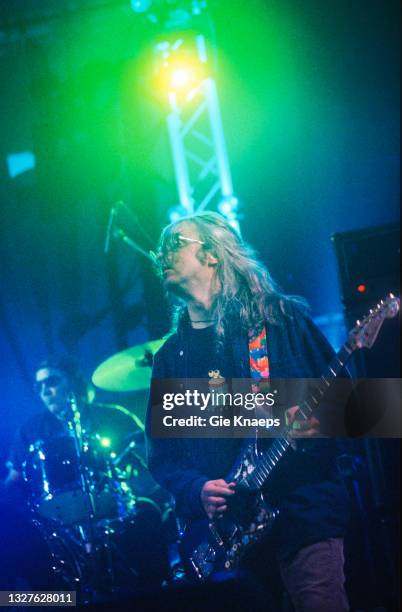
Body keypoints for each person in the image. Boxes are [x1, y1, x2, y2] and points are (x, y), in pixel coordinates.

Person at [146, 212, 351, 611]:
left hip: (301, 516)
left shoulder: (280, 321)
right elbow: (164, 457)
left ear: (212, 254)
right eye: (162, 248)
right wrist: (196, 489)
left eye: (175, 243)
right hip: (229, 541)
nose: (161, 255)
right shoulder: (171, 359)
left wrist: (321, 424)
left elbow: (353, 405)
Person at [4, 355, 168, 597]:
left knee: (148, 513)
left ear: (73, 381)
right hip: (56, 520)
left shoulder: (112, 416)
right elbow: (13, 483)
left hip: (115, 508)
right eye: (39, 387)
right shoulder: (31, 430)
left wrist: (134, 473)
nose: (45, 391)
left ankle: (158, 596)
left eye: (52, 382)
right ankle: (50, 602)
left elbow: (156, 462)